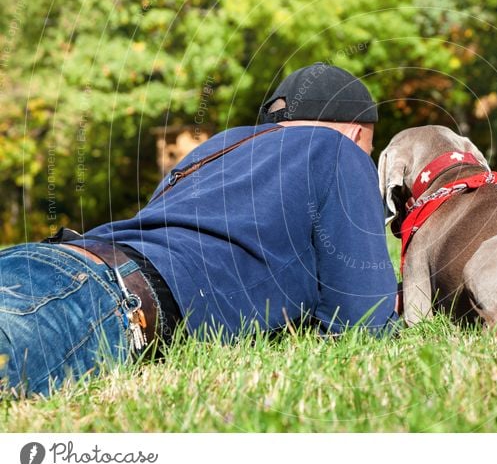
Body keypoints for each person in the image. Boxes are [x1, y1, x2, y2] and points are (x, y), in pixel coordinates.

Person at [0, 63, 399, 396]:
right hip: (103, 297)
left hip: (53, 257)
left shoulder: (218, 147)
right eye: (368, 148)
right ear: (357, 133)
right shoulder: (339, 148)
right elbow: (360, 319)